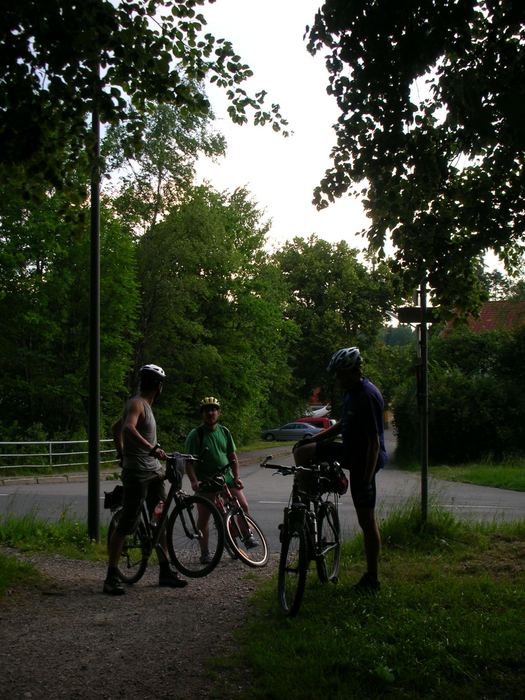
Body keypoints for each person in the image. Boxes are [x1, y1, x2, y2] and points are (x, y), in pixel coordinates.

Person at [293, 347, 386, 592]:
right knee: (302, 450)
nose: (337, 379)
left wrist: (365, 480)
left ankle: (372, 578)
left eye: (340, 373)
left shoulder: (368, 395)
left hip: (365, 460)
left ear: (353, 371)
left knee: (366, 520)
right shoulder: (351, 393)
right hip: (350, 450)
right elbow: (344, 425)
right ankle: (306, 502)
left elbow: (375, 443)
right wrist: (316, 438)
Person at [103, 363, 188, 595]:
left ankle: (165, 571)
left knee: (159, 519)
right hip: (138, 473)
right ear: (158, 386)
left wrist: (121, 453)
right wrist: (151, 448)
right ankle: (111, 575)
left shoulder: (144, 406)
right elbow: (128, 428)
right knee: (128, 522)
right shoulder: (137, 404)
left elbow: (115, 428)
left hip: (153, 472)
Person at [185, 396, 258, 563]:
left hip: (226, 478)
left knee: (243, 505)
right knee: (204, 518)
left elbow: (232, 457)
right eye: (207, 410)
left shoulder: (224, 432)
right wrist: (194, 481)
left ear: (218, 412)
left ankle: (247, 536)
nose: (211, 413)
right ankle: (205, 553)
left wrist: (237, 477)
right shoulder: (196, 435)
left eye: (214, 409)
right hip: (206, 481)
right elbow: (189, 463)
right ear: (202, 414)